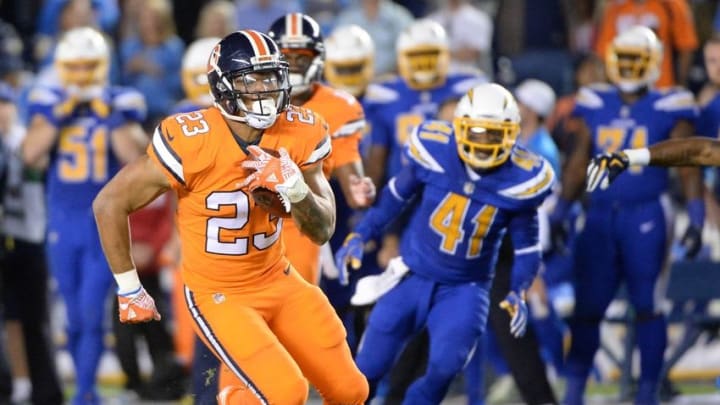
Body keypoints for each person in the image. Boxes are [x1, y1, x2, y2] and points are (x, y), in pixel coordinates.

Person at [92, 29, 369, 404]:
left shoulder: (301, 130)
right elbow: (109, 202)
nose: (263, 89)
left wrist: (295, 188)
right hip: (218, 292)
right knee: (287, 392)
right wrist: (129, 287)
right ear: (223, 86)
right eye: (250, 79)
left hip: (277, 277)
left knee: (352, 390)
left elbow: (322, 230)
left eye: (270, 77)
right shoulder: (193, 138)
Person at [335, 82, 555, 403]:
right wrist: (362, 233)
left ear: (512, 134)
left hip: (465, 288)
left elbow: (527, 245)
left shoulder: (522, 179)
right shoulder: (434, 150)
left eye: (493, 134)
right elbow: (396, 195)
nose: (483, 143)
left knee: (444, 366)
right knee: (369, 365)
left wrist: (518, 287)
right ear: (459, 127)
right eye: (476, 132)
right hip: (412, 274)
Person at [552, 26, 704, 405]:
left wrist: (697, 217)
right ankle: (573, 394)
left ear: (653, 63)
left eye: (638, 59)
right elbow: (577, 163)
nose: (631, 67)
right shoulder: (594, 100)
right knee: (588, 308)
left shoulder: (671, 103)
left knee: (648, 305)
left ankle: (648, 394)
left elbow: (688, 163)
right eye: (625, 59)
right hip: (601, 214)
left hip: (648, 213)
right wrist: (559, 211)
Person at [21, 27, 147, 405]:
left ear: (103, 65)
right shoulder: (48, 99)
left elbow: (133, 155)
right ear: (61, 67)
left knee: (92, 312)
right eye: (73, 67)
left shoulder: (120, 100)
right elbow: (30, 154)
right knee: (75, 316)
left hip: (102, 223)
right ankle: (83, 390)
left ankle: (85, 392)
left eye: (88, 67)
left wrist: (105, 113)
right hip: (62, 219)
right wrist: (64, 110)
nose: (80, 75)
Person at [267, 12, 375, 285]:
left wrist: (359, 189)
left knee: (294, 317)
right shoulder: (251, 98)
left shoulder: (339, 107)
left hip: (300, 220)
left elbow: (351, 178)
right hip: (244, 219)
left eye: (301, 58)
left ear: (317, 58)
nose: (293, 65)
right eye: (286, 57)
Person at [0, 83, 63, 405]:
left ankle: (43, 387)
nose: (1, 111)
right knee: (11, 317)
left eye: (5, 104)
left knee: (35, 318)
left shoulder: (25, 138)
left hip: (34, 235)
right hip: (7, 236)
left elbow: (37, 163)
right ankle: (18, 382)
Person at [594, 0, 698, 88]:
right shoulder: (615, 6)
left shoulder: (672, 4)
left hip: (661, 85)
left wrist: (680, 84)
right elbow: (604, 52)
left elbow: (686, 47)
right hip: (623, 86)